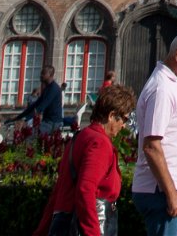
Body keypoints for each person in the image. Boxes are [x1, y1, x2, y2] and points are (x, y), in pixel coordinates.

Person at [131, 29, 177, 236]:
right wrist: (172, 192)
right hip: (159, 190)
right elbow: (152, 146)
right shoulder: (162, 89)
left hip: (170, 187)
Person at [35, 81, 135, 236]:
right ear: (112, 116)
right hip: (92, 226)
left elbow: (59, 191)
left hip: (63, 222)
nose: (124, 126)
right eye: (125, 119)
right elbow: (86, 189)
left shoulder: (80, 137)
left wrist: (41, 231)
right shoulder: (99, 142)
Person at [25, 67, 66, 137]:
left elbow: (41, 106)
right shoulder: (48, 88)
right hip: (47, 121)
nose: (41, 75)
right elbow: (37, 104)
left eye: (43, 73)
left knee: (31, 135)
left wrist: (26, 118)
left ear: (50, 75)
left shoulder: (53, 89)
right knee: (29, 132)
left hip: (52, 122)